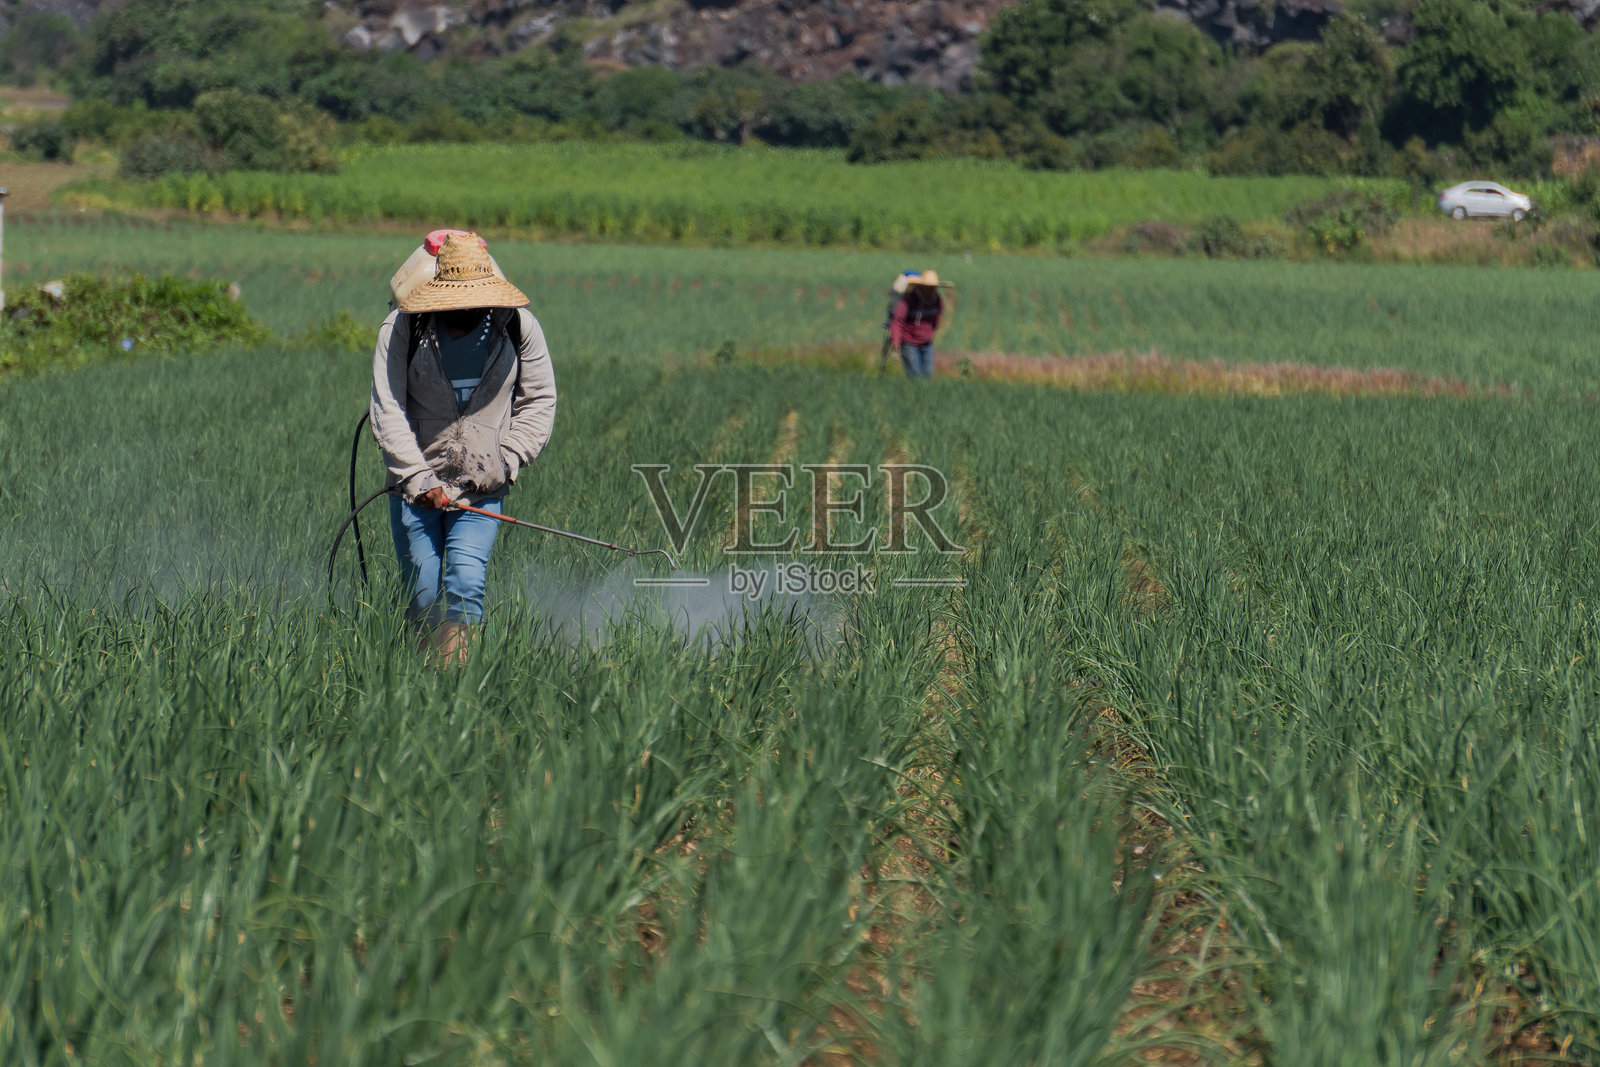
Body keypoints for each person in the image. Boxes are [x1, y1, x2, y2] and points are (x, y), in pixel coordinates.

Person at [369, 232, 557, 659]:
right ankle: (422, 677)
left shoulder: (517, 326)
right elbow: (388, 408)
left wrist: (506, 461)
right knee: (421, 593)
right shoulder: (402, 328)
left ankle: (455, 683)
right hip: (415, 488)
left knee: (467, 583)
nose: (466, 307)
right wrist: (418, 478)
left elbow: (539, 400)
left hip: (483, 488)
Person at [888, 270, 952, 379]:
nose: (931, 290)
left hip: (927, 344)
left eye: (933, 287)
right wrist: (896, 339)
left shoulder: (937, 300)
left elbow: (937, 316)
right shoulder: (909, 300)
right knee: (915, 376)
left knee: (927, 375)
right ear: (922, 287)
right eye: (928, 287)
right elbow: (898, 320)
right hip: (909, 344)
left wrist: (932, 329)